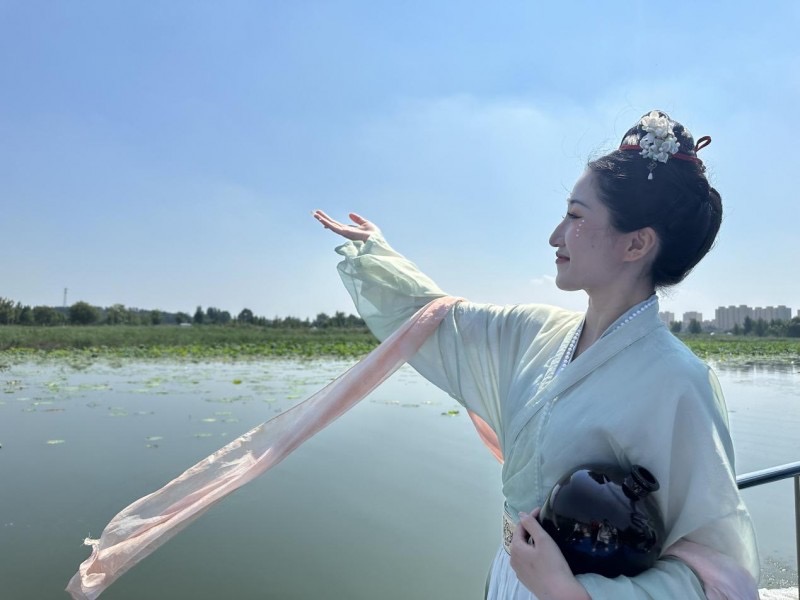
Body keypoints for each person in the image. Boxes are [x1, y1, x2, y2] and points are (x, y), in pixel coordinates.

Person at [313, 110, 759, 599]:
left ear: (636, 243)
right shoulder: (537, 331)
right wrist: (378, 257)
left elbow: (714, 571)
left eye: (576, 216)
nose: (555, 236)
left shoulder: (678, 382)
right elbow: (443, 319)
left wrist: (571, 593)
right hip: (509, 576)